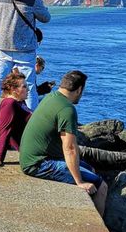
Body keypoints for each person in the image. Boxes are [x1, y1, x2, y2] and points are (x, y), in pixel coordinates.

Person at [0, 69, 126, 175]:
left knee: (88, 151)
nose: (28, 89)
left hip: (49, 140)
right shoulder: (9, 104)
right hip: (40, 149)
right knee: (85, 152)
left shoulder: (19, 102)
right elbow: (4, 132)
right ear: (14, 90)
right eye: (24, 87)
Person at [19, 71, 107, 214]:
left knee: (90, 169)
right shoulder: (67, 109)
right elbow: (70, 148)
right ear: (79, 90)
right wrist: (79, 182)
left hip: (31, 157)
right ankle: (98, 228)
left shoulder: (51, 97)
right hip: (39, 164)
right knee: (101, 186)